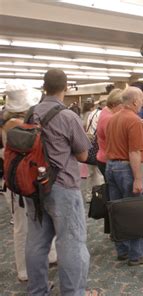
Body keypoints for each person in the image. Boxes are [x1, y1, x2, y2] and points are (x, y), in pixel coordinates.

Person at [25, 69, 90, 295]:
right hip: (62, 185)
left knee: (36, 241)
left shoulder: (30, 113)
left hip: (33, 186)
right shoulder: (68, 116)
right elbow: (82, 155)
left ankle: (38, 290)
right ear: (66, 87)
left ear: (44, 87)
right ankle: (73, 292)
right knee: (71, 241)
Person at [2, 82, 57, 283]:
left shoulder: (14, 122)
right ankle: (24, 270)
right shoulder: (14, 125)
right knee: (22, 227)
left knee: (37, 222)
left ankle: (49, 255)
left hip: (25, 178)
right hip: (19, 182)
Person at [105, 86, 143, 266]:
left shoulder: (113, 118)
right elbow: (134, 152)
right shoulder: (134, 120)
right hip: (125, 169)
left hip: (110, 167)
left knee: (118, 212)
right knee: (135, 212)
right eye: (142, 99)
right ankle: (136, 254)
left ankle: (123, 250)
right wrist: (138, 178)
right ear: (135, 101)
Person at [96, 89, 123, 177]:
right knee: (115, 189)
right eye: (123, 105)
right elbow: (116, 143)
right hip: (109, 160)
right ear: (115, 104)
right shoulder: (109, 118)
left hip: (104, 157)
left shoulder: (105, 111)